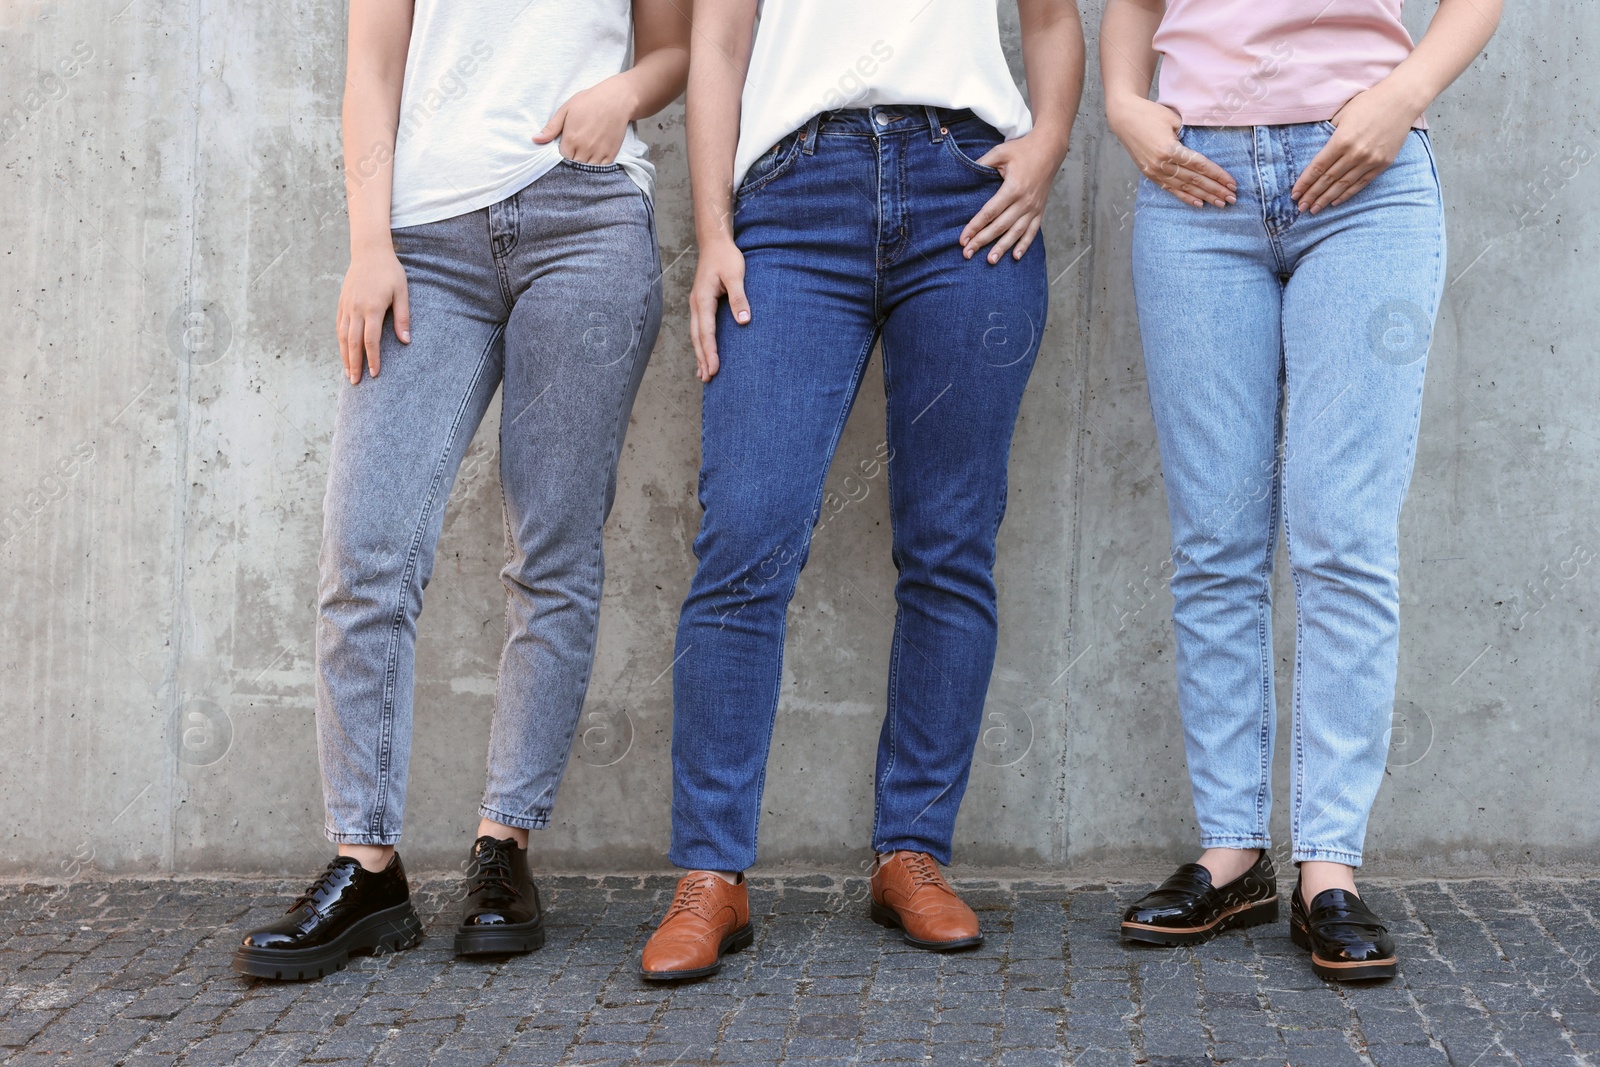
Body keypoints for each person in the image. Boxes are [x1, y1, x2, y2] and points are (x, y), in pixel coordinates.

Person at [232, 0, 688, 981]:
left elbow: (674, 47)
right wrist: (367, 243)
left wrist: (625, 91)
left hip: (586, 217)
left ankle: (503, 847)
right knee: (366, 553)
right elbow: (371, 68)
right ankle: (368, 865)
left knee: (554, 548)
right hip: (424, 237)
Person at [639, 0, 1085, 981]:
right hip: (791, 202)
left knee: (950, 544)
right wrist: (713, 229)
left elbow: (1051, 19)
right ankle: (711, 871)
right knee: (745, 542)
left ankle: (911, 849)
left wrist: (1047, 141)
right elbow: (716, 42)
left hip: (965, 189)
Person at [1101, 0, 1500, 981]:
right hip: (1195, 182)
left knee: (1343, 538)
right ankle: (1232, 850)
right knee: (1214, 543)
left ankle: (1330, 866)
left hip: (1366, 178)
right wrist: (1122, 102)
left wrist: (1402, 94)